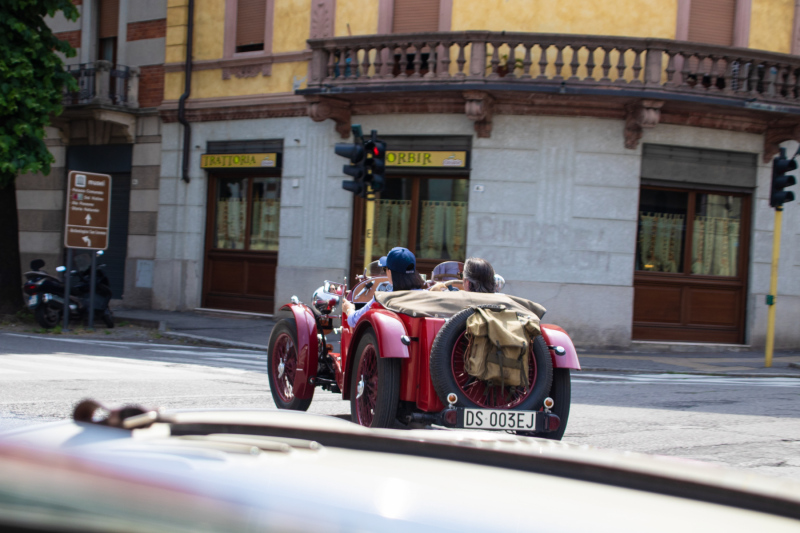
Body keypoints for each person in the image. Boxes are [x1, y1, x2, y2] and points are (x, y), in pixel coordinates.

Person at [342, 247, 424, 327]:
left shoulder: (382, 298)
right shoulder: (425, 295)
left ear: (389, 271)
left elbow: (354, 320)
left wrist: (349, 309)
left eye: (385, 269)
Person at [429, 257, 496, 293]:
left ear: (468, 283)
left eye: (462, 276)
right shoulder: (499, 302)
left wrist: (437, 287)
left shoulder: (456, 300)